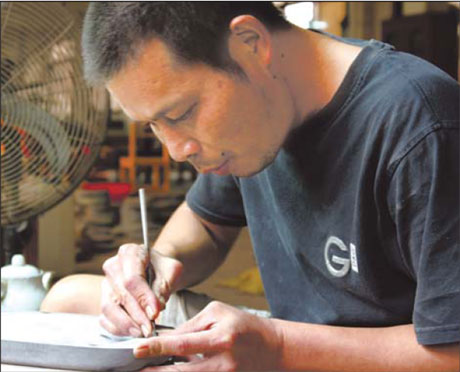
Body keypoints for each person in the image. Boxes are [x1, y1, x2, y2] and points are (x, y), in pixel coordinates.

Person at [42, 2, 460, 371]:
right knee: (70, 300)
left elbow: (451, 352)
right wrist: (162, 262)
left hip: (362, 356)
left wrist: (276, 346)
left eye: (181, 112)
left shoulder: (421, 123)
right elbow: (206, 224)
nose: (175, 150)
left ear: (250, 43)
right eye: (153, 124)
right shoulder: (261, 113)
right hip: (282, 336)